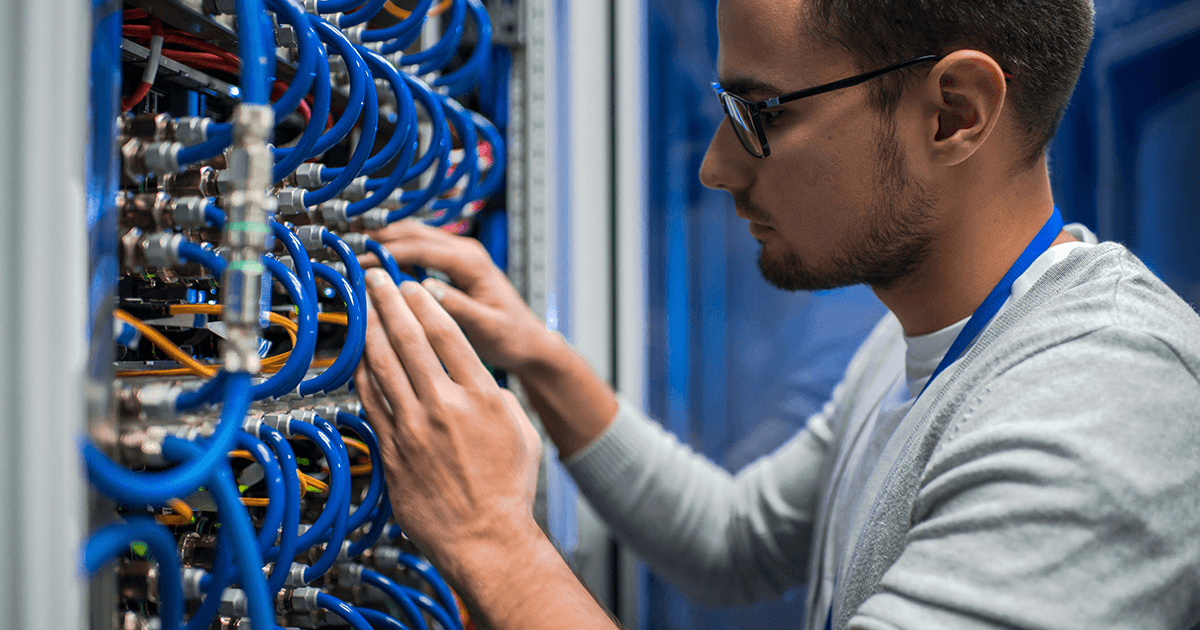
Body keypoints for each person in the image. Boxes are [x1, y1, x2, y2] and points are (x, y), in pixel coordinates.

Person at [352, 0, 1200, 627]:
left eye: (759, 113)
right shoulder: (927, 339)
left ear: (954, 114)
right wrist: (539, 357)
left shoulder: (1100, 412)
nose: (716, 168)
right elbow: (734, 541)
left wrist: (494, 541)